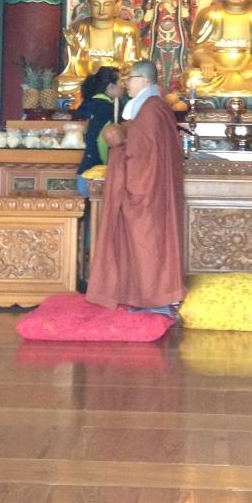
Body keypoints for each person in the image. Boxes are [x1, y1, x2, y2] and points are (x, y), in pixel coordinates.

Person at [86, 60, 185, 313]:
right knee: (149, 242)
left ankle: (152, 298)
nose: (126, 83)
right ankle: (151, 296)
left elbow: (139, 156)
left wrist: (117, 146)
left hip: (145, 191)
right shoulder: (155, 107)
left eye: (130, 79)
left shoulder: (150, 111)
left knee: (145, 243)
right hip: (154, 189)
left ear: (144, 81)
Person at [56, 0, 142, 107]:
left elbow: (133, 62)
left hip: (115, 80)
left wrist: (119, 71)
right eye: (96, 4)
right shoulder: (78, 28)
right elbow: (72, 65)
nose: (101, 10)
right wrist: (72, 50)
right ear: (88, 4)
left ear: (116, 5)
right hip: (85, 79)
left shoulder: (127, 29)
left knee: (128, 83)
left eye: (107, 5)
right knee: (63, 84)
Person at [75, 66, 120, 199]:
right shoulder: (107, 109)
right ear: (110, 87)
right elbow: (101, 140)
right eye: (121, 83)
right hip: (96, 177)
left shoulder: (85, 105)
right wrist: (106, 165)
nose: (124, 87)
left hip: (83, 172)